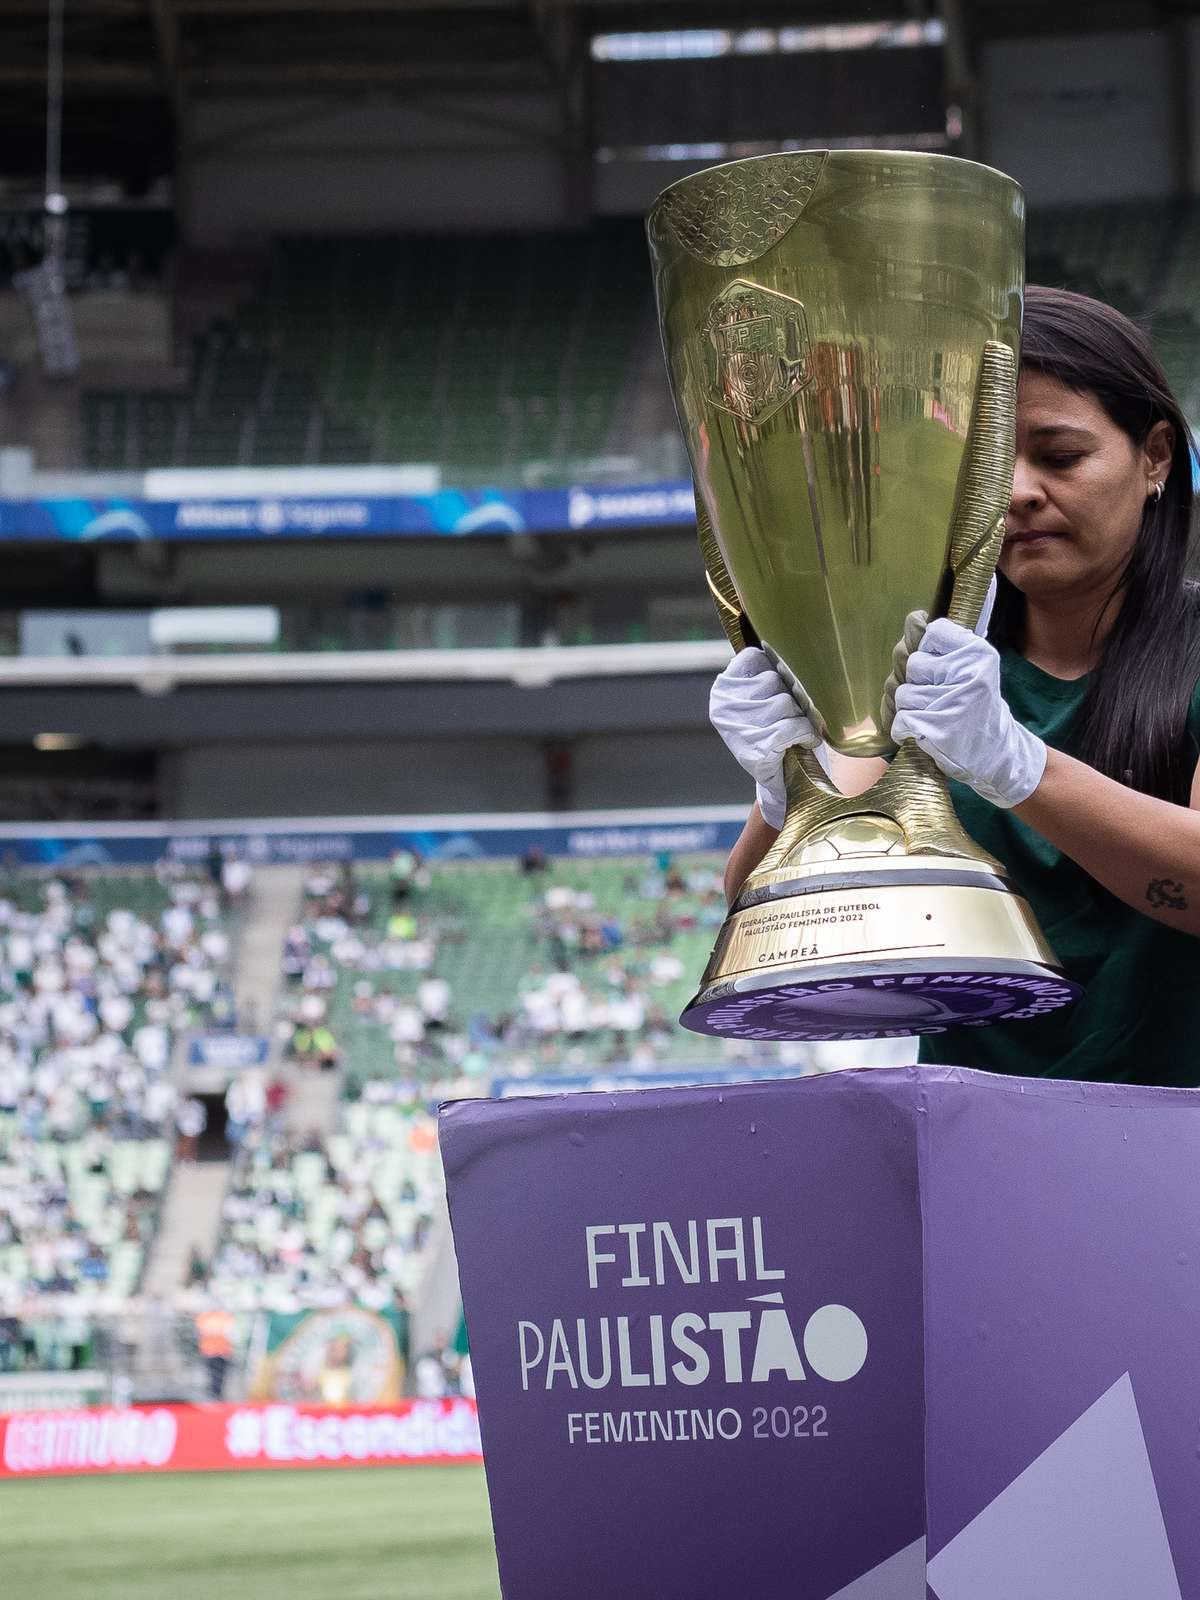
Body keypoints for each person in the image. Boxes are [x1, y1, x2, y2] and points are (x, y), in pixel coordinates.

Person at [712, 285, 1200, 1087]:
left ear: (1154, 457)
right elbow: (750, 911)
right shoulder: (924, 669)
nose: (1014, 492)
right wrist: (787, 791)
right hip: (975, 1151)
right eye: (980, 466)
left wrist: (1020, 765)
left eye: (1061, 455)